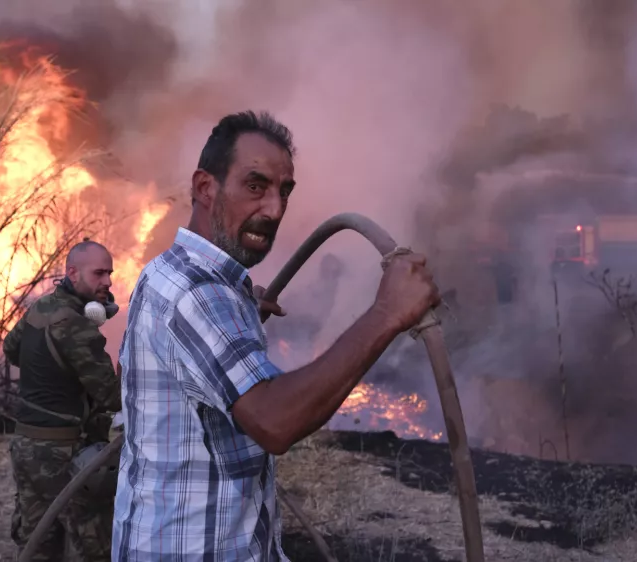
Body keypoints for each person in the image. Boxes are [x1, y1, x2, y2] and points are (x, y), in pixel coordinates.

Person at [112, 110, 441, 561]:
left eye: (284, 191)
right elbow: (275, 422)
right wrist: (386, 314)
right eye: (255, 186)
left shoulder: (169, 271)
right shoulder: (198, 294)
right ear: (205, 187)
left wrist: (240, 310)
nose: (275, 209)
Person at [3, 239, 122, 562]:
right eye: (99, 273)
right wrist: (128, 364)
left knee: (39, 543)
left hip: (25, 447)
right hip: (64, 453)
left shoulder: (41, 308)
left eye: (109, 274)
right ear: (72, 273)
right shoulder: (76, 326)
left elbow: (11, 349)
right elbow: (112, 397)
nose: (107, 282)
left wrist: (51, 374)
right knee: (95, 546)